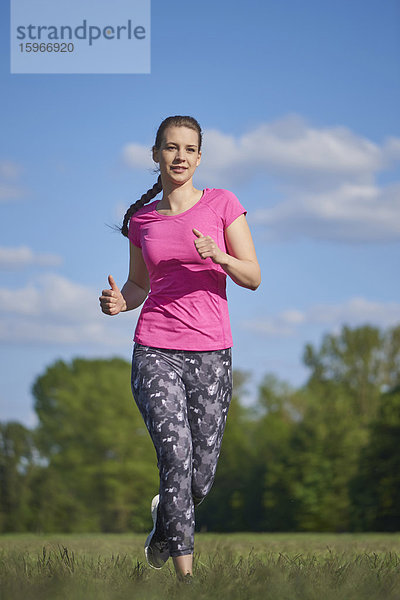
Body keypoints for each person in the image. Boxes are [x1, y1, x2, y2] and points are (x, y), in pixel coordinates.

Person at [99, 115, 261, 581]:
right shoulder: (143, 221)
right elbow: (137, 286)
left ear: (200, 158)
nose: (180, 157)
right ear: (156, 155)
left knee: (200, 476)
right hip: (156, 349)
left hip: (212, 352)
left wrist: (220, 255)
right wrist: (118, 302)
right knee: (175, 457)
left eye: (189, 149)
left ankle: (162, 532)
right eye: (171, 148)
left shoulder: (223, 204)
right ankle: (187, 580)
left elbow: (253, 276)